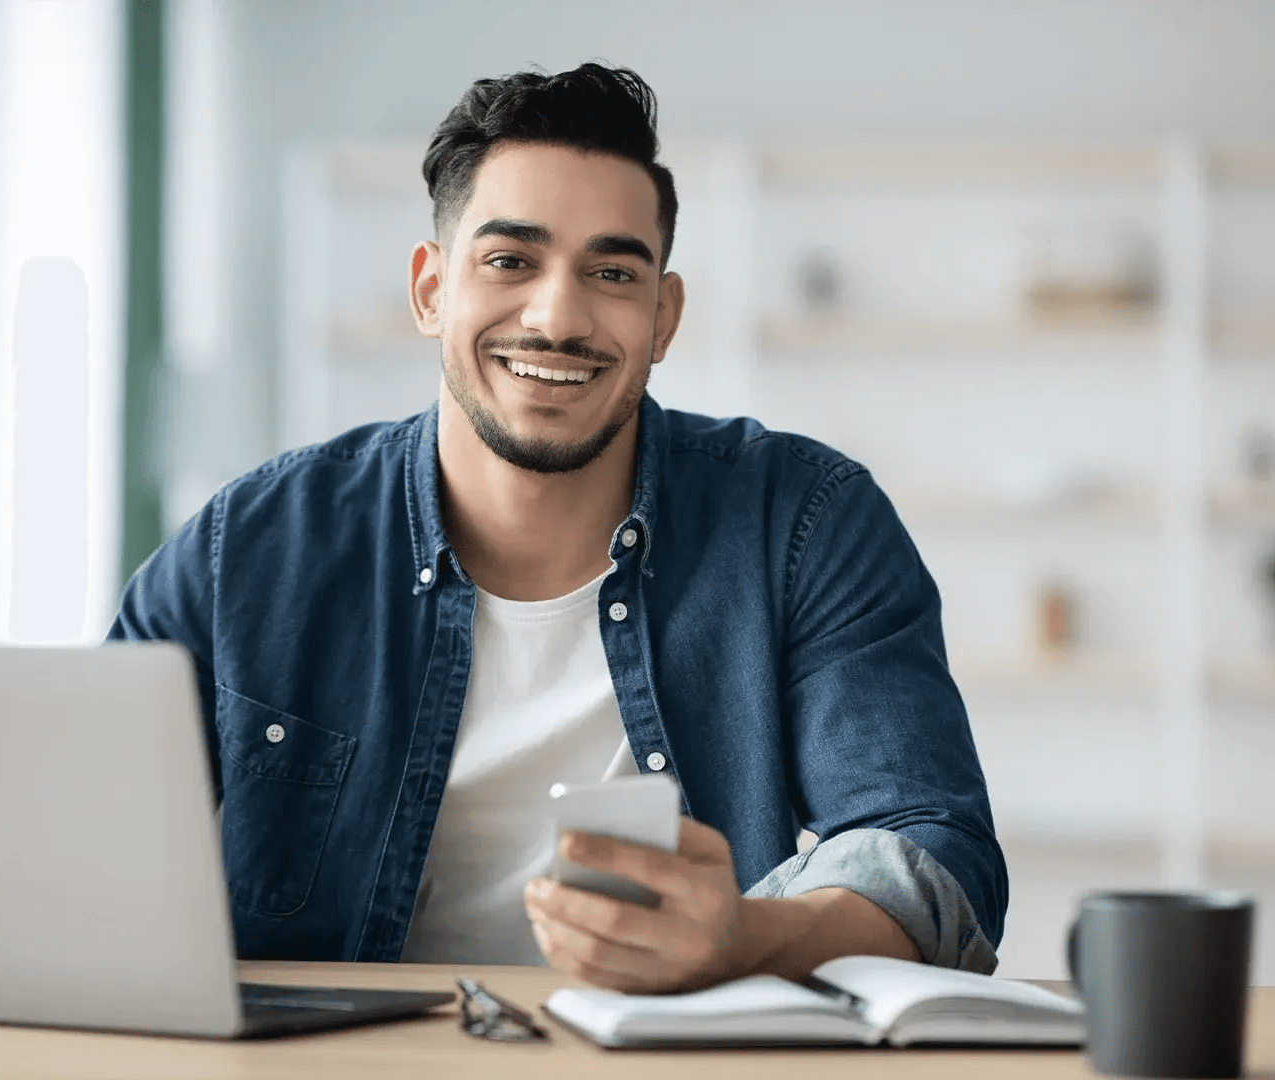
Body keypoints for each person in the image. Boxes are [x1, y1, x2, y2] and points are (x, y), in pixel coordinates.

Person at [110, 63, 1005, 992]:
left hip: (670, 1055)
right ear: (431, 291)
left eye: (612, 273)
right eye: (509, 261)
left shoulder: (805, 520)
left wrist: (745, 938)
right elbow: (79, 835)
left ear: (663, 317)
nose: (558, 318)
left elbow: (937, 854)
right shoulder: (250, 546)